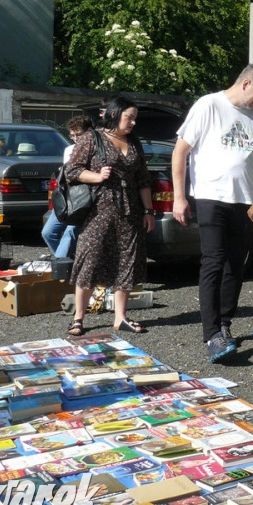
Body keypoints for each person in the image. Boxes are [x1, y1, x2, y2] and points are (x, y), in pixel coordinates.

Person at [172, 62, 253, 362]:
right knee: (214, 262)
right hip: (211, 197)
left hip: (244, 201)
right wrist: (179, 197)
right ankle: (211, 334)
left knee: (236, 266)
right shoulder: (209, 105)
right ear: (245, 83)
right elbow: (181, 151)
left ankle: (225, 323)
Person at [66, 96, 155, 337]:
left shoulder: (134, 143)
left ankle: (120, 318)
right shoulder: (92, 138)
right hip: (99, 210)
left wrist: (148, 211)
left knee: (127, 260)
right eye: (129, 117)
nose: (133, 123)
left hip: (131, 212)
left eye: (135, 118)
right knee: (89, 258)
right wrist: (96, 176)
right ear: (115, 115)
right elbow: (71, 170)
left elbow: (143, 180)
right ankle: (78, 318)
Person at [41, 115, 94, 259]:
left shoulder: (94, 150)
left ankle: (60, 266)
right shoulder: (69, 150)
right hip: (68, 197)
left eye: (79, 135)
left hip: (83, 199)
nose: (76, 139)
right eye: (72, 135)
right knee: (48, 232)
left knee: (70, 233)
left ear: (89, 132)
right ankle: (67, 262)